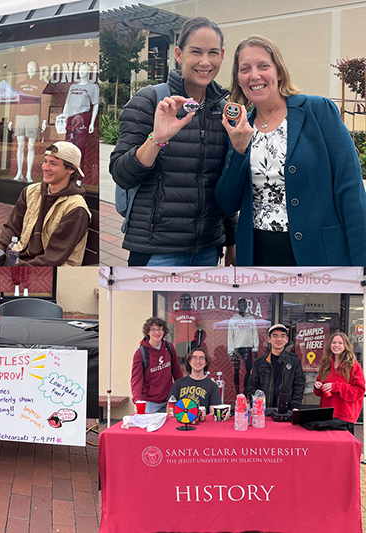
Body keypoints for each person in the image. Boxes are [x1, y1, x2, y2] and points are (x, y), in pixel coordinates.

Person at [216, 35, 366, 266]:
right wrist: (238, 150)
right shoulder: (239, 128)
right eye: (245, 69)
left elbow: (350, 189)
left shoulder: (317, 111)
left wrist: (362, 263)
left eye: (263, 66)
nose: (254, 75)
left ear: (278, 72)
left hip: (319, 257)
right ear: (238, 79)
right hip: (257, 259)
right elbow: (228, 203)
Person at [110, 17, 235, 267]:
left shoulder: (224, 111)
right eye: (195, 52)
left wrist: (231, 242)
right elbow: (122, 174)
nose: (205, 62)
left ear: (221, 56)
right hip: (156, 251)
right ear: (178, 54)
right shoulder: (150, 101)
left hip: (208, 250)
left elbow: (224, 185)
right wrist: (156, 139)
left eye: (212, 53)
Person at [0, 141, 90, 266]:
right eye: (45, 161)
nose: (45, 167)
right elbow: (12, 227)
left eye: (53, 163)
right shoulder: (30, 191)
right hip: (18, 259)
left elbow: (54, 257)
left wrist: (15, 267)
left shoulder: (76, 208)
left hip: (47, 269)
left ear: (71, 169)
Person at [313, 332, 364, 434]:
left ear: (345, 346)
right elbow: (318, 392)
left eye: (340, 343)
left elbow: (359, 391)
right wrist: (317, 387)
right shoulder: (326, 364)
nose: (336, 345)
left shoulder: (353, 365)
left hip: (344, 416)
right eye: (334, 342)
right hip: (326, 415)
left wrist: (336, 387)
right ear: (329, 345)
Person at [245, 324, 305, 410]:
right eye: (275, 336)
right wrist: (255, 405)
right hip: (263, 411)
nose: (279, 339)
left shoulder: (294, 361)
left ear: (286, 340)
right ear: (269, 339)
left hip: (287, 411)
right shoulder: (260, 362)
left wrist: (295, 407)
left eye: (282, 336)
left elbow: (299, 386)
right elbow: (252, 386)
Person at [130, 317, 182, 413]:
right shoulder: (141, 353)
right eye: (153, 329)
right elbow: (136, 379)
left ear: (164, 331)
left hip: (169, 399)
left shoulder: (169, 347)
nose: (157, 333)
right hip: (150, 401)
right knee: (150, 427)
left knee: (170, 426)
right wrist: (137, 400)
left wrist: (182, 391)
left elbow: (177, 372)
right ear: (148, 332)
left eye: (159, 329)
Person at [168, 347, 222, 412]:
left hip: (203, 421)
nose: (198, 361)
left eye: (201, 358)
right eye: (194, 358)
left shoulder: (213, 386)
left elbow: (213, 413)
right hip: (181, 421)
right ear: (189, 361)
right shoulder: (178, 383)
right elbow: (169, 410)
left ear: (206, 362)